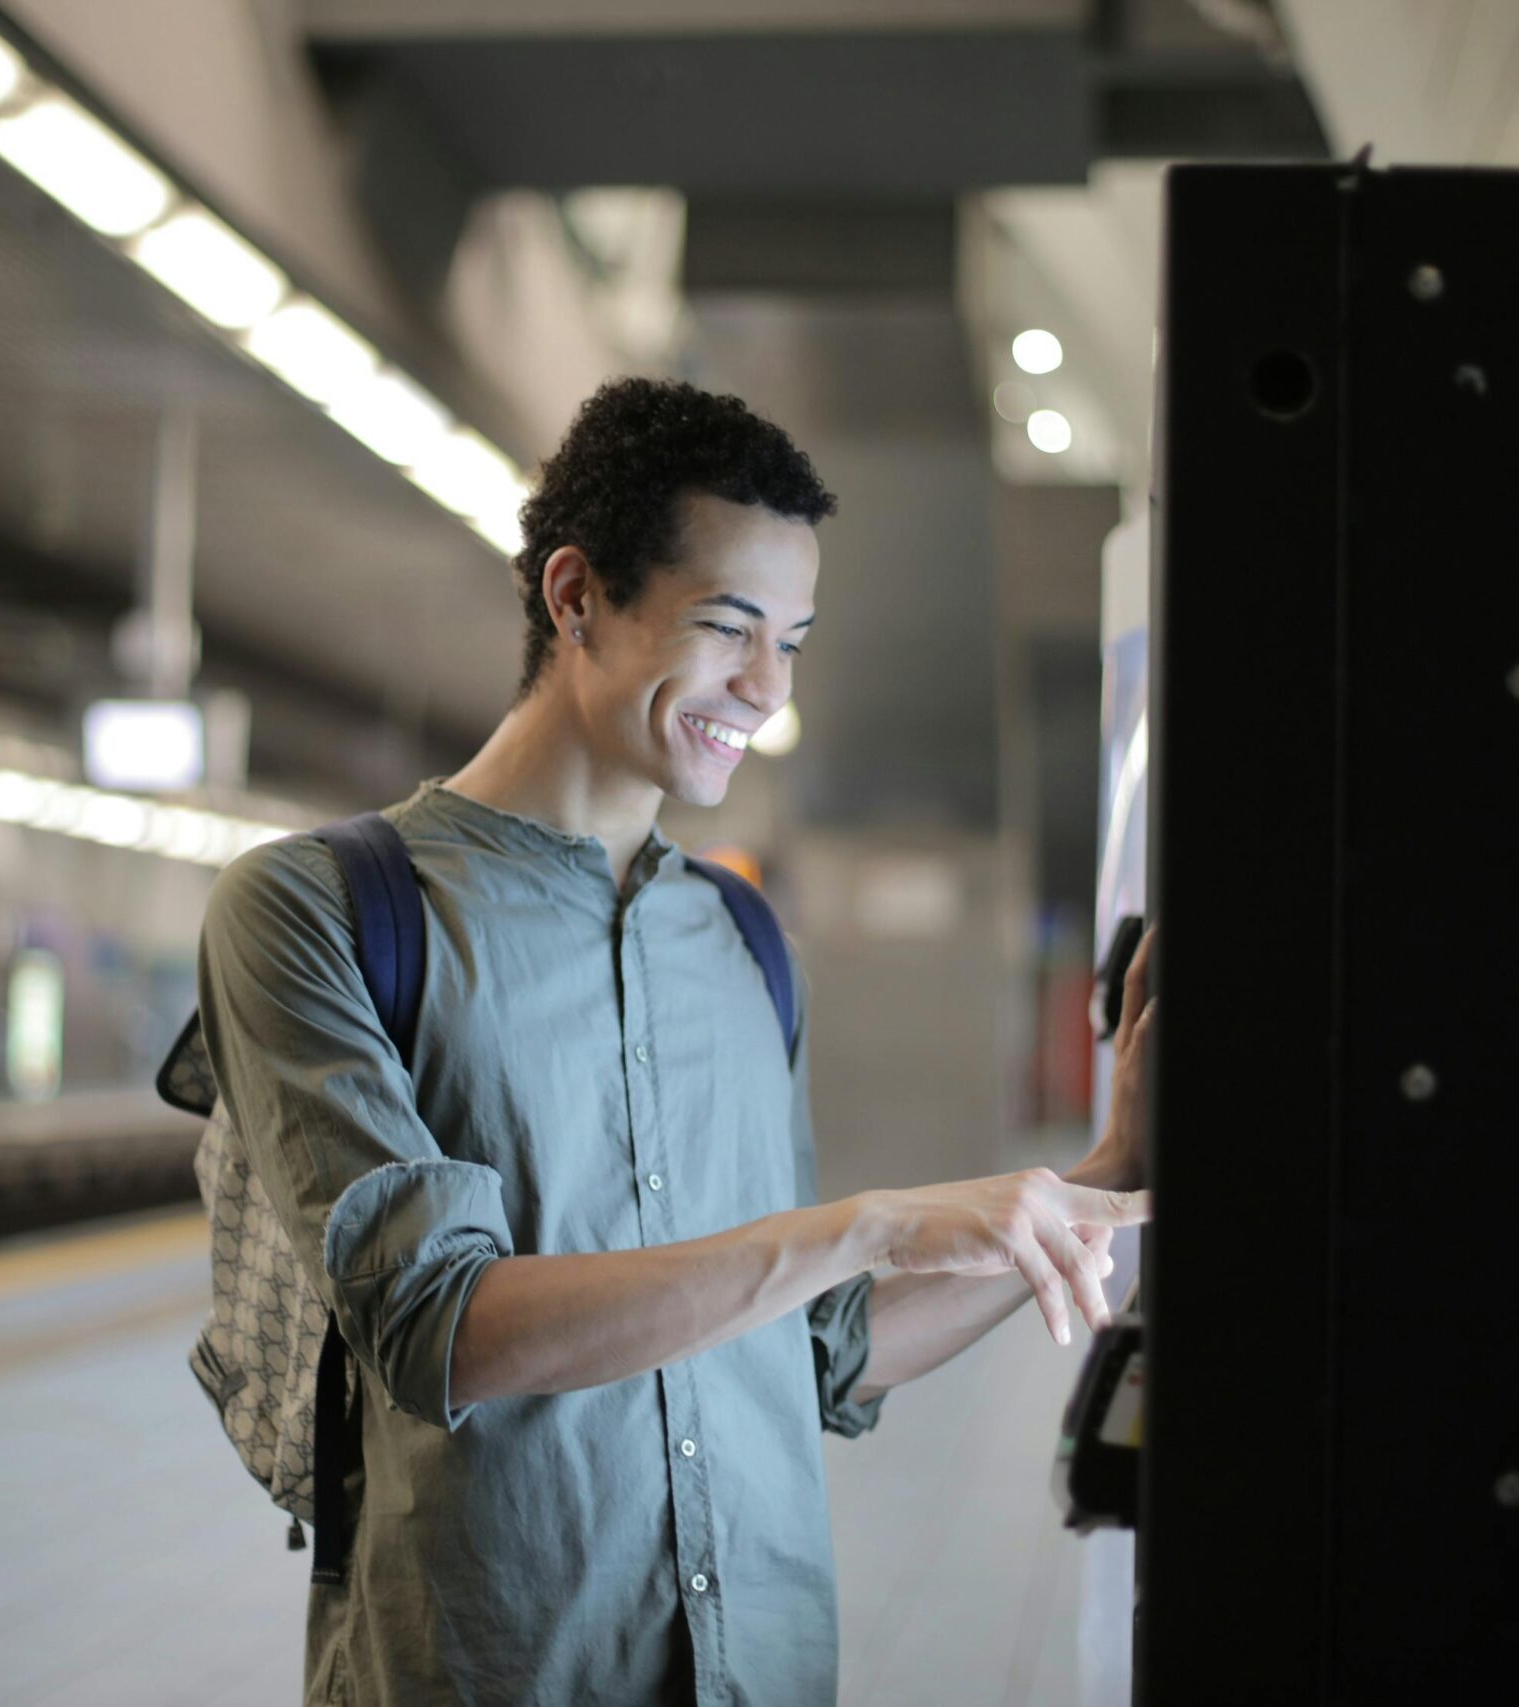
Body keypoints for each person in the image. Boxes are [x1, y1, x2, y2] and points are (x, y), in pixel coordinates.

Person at [195, 377, 1152, 1705]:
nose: (767, 686)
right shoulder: (323, 910)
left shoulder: (746, 944)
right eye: (727, 628)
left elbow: (822, 1357)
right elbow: (441, 1326)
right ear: (576, 594)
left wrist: (1104, 1172)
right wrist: (865, 1224)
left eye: (797, 641)